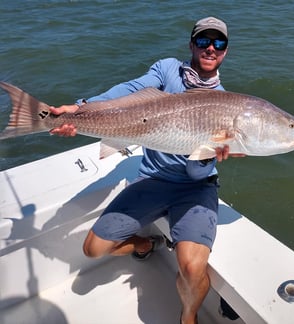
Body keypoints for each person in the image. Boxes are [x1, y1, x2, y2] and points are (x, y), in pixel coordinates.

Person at [50, 17, 243, 324]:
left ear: (226, 51)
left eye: (218, 43)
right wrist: (79, 109)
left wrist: (209, 157)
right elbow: (127, 92)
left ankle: (188, 317)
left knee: (193, 269)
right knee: (93, 248)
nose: (211, 48)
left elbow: (196, 174)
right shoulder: (168, 70)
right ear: (192, 44)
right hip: (153, 180)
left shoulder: (225, 102)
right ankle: (143, 243)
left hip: (196, 188)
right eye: (204, 40)